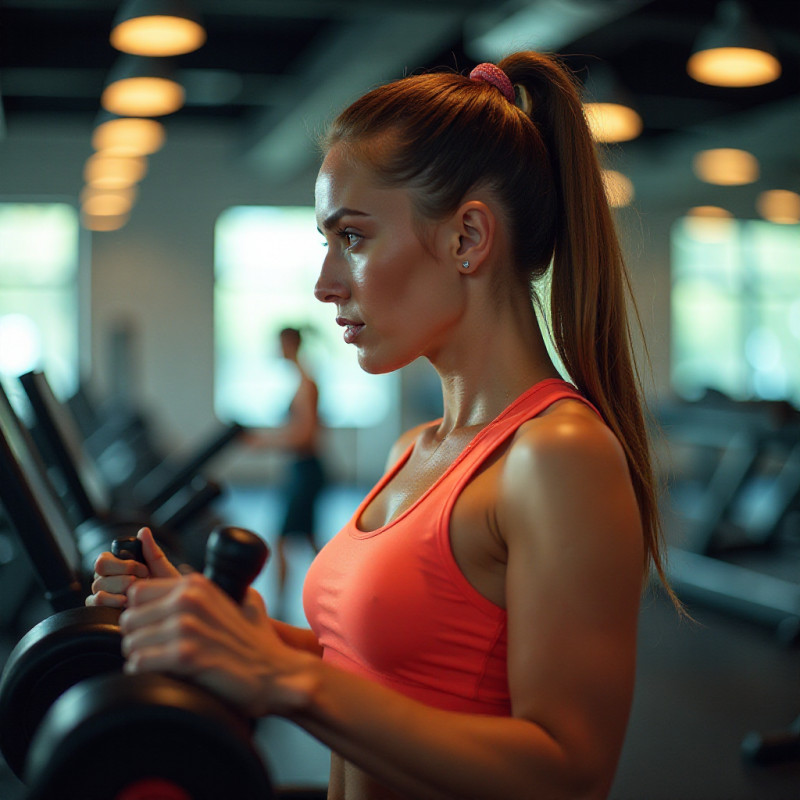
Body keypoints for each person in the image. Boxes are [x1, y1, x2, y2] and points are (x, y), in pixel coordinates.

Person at [89, 51, 676, 800]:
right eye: (326, 243)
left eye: (354, 239)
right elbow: (381, 673)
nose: (326, 285)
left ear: (468, 238)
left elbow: (569, 771)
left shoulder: (557, 455)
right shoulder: (416, 450)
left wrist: (283, 677)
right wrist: (233, 631)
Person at [245, 326, 326, 615]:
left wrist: (263, 441)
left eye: (280, 343)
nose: (277, 349)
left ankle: (278, 611)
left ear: (290, 344)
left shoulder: (306, 384)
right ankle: (332, 590)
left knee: (283, 540)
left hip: (305, 470)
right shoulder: (301, 382)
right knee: (306, 539)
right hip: (300, 470)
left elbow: (305, 436)